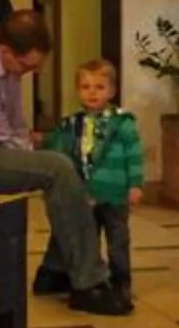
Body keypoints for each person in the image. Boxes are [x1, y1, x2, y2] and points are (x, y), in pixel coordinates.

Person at [0, 9, 123, 316]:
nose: (31, 73)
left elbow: (14, 123)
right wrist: (38, 154)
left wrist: (39, 144)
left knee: (70, 160)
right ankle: (89, 283)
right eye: (27, 67)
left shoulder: (4, 62)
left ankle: (56, 270)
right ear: (7, 52)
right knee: (57, 169)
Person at [43, 56, 143, 304]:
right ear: (78, 90)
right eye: (86, 87)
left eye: (99, 87)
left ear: (111, 91)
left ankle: (121, 282)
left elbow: (134, 154)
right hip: (86, 194)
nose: (92, 93)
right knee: (88, 238)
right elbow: (60, 151)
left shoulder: (122, 122)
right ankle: (94, 277)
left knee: (117, 240)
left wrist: (135, 183)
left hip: (115, 194)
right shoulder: (72, 124)